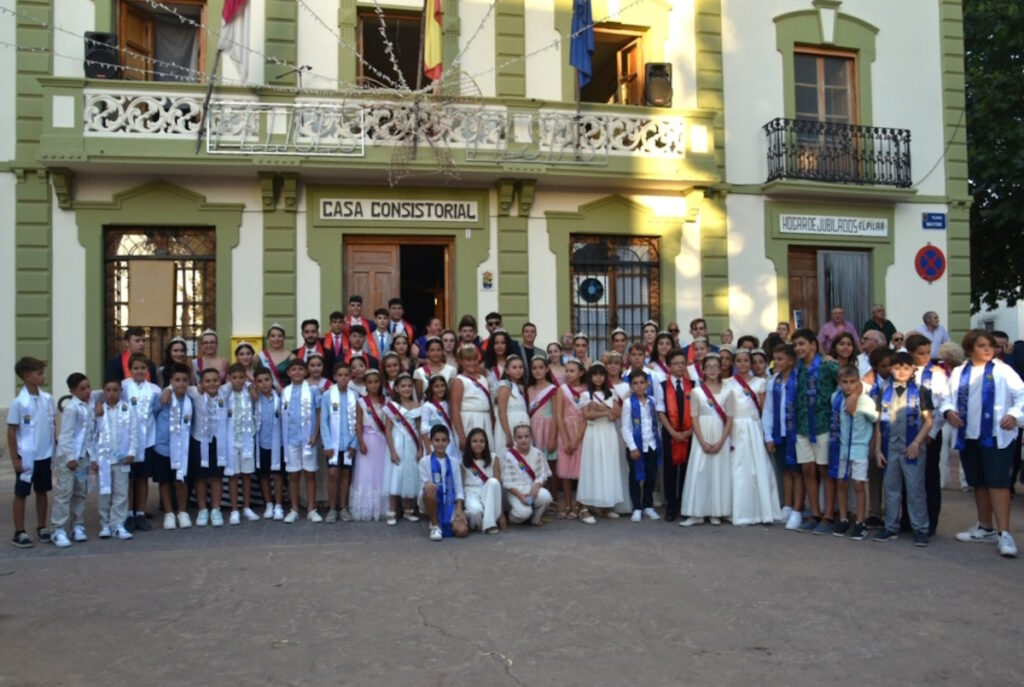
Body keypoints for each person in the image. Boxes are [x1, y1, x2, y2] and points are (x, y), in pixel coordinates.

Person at [942, 330, 1024, 558]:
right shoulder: (959, 372)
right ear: (970, 349)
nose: (989, 349)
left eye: (990, 345)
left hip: (997, 435)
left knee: (998, 483)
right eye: (982, 345)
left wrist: (1015, 414)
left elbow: (1022, 395)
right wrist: (948, 411)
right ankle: (985, 527)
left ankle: (1005, 532)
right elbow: (947, 397)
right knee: (978, 481)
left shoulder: (1003, 370)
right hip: (969, 434)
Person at [872, 352, 934, 546]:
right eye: (897, 367)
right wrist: (877, 448)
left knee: (915, 488)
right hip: (890, 446)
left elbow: (928, 421)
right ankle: (890, 526)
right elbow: (878, 422)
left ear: (913, 369)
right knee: (891, 488)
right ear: (891, 369)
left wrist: (917, 442)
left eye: (906, 368)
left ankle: (920, 528)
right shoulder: (884, 390)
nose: (901, 372)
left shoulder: (921, 391)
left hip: (912, 446)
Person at [792, 328, 840, 534]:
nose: (798, 348)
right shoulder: (798, 368)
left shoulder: (828, 365)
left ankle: (829, 515)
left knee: (824, 470)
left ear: (813, 344)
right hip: (802, 425)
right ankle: (815, 512)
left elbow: (850, 382)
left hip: (822, 424)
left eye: (802, 344)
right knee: (807, 470)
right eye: (795, 345)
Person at [679, 354, 733, 527]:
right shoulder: (696, 392)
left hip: (720, 436)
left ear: (720, 369)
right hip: (701, 435)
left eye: (715, 366)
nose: (711, 370)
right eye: (708, 367)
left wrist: (721, 442)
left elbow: (730, 419)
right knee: (700, 471)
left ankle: (716, 512)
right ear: (702, 369)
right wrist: (701, 441)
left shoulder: (728, 391)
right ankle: (697, 513)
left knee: (718, 472)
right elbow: (694, 417)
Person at [728, 349, 780, 526]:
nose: (742, 364)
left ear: (751, 363)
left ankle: (762, 510)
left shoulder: (759, 383)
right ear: (734, 363)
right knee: (738, 467)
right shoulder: (728, 383)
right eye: (739, 361)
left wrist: (767, 434)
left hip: (753, 426)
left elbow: (764, 410)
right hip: (736, 427)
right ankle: (739, 510)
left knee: (758, 467)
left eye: (746, 361)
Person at [9, 357, 57, 548]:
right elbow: (12, 431)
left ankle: (41, 526)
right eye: (39, 373)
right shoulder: (18, 403)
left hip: (44, 453)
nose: (43, 376)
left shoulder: (47, 399)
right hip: (27, 455)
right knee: (21, 492)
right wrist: (15, 458)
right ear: (27, 376)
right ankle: (19, 531)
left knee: (42, 491)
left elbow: (52, 425)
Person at [829, 365, 878, 541]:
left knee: (858, 485)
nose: (848, 386)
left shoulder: (865, 400)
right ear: (839, 382)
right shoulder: (835, 398)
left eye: (852, 382)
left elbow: (875, 421)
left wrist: (873, 445)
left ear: (858, 382)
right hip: (840, 448)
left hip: (859, 448)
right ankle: (843, 518)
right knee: (841, 483)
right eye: (844, 382)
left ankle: (860, 521)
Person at [906, 333, 948, 536]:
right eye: (920, 353)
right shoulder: (905, 370)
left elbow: (942, 404)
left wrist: (933, 431)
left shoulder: (937, 374)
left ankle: (931, 520)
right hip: (908, 430)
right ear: (910, 353)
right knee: (908, 476)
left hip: (930, 431)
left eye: (927, 352)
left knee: (929, 475)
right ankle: (907, 517)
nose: (925, 357)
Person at [50, 373, 96, 548]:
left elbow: (89, 434)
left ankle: (77, 524)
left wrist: (91, 455)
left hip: (83, 456)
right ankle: (58, 528)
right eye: (81, 389)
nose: (86, 391)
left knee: (80, 491)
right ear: (72, 391)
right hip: (69, 458)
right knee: (64, 493)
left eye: (88, 387)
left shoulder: (88, 407)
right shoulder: (71, 409)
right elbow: (67, 435)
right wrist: (70, 457)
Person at [576, 363, 623, 523]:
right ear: (590, 377)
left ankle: (605, 506)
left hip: (609, 433)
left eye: (601, 374)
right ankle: (584, 507)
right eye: (595, 374)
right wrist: (604, 411)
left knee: (607, 467)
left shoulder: (612, 393)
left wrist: (599, 409)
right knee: (592, 467)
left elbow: (616, 414)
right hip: (594, 433)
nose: (598, 377)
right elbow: (587, 415)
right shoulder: (585, 395)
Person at [763, 344, 803, 530]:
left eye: (780, 359)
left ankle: (797, 509)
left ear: (791, 360)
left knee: (797, 471)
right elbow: (769, 409)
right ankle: (787, 505)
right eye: (775, 359)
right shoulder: (773, 382)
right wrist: (768, 435)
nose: (776, 362)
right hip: (780, 433)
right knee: (785, 470)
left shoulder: (800, 379)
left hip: (796, 433)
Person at [180, 367, 225, 527]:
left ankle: (216, 508)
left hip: (218, 440)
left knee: (216, 476)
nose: (212, 383)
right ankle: (202, 509)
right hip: (199, 440)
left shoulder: (224, 393)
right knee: (200, 477)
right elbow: (178, 386)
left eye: (215, 380)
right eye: (207, 381)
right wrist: (167, 389)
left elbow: (242, 383)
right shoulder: (195, 393)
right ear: (201, 383)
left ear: (220, 382)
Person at [151, 363, 194, 530]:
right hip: (163, 447)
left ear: (189, 382)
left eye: (184, 380)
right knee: (165, 481)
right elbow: (153, 414)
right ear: (171, 382)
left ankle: (182, 511)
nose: (181, 384)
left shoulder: (191, 400)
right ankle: (169, 513)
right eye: (177, 380)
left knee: (180, 480)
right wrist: (167, 391)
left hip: (183, 448)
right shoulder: (163, 398)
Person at [96, 376, 139, 541]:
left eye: (115, 390)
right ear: (104, 392)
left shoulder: (128, 409)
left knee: (121, 492)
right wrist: (94, 458)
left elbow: (133, 432)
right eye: (108, 390)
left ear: (121, 391)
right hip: (104, 459)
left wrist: (132, 452)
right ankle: (105, 524)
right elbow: (94, 435)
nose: (112, 394)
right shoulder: (100, 411)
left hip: (122, 458)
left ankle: (118, 524)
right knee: (105, 492)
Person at [280, 359, 323, 524]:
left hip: (308, 439)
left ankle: (312, 508)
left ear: (306, 372)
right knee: (293, 475)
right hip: (291, 438)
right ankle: (294, 509)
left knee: (310, 474)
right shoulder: (285, 392)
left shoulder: (313, 390)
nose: (297, 372)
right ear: (289, 373)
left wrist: (315, 435)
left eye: (300, 369)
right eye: (294, 369)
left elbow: (318, 413)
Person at [218, 363, 259, 525]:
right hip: (231, 439)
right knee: (233, 475)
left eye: (241, 377)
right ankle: (234, 509)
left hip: (247, 437)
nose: (238, 381)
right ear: (229, 378)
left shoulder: (249, 391)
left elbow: (256, 399)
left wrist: (250, 386)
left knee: (247, 474)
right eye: (234, 378)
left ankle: (246, 506)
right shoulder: (224, 392)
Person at [122, 353, 159, 532]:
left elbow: (158, 412)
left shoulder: (155, 390)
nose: (139, 371)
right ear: (130, 369)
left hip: (148, 439)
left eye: (143, 368)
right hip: (127, 441)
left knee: (143, 478)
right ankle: (129, 513)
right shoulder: (123, 387)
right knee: (129, 478)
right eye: (136, 368)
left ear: (148, 370)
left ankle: (141, 513)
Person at [657, 348, 693, 522]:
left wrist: (688, 432)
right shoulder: (662, 386)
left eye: (682, 363)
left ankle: (685, 505)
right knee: (670, 471)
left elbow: (696, 412)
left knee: (687, 469)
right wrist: (672, 433)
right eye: (676, 363)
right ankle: (671, 505)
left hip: (688, 433)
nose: (680, 366)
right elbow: (660, 411)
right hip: (669, 433)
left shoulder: (692, 385)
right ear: (668, 366)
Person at [621, 372, 662, 523]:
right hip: (636, 446)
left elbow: (655, 423)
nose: (639, 386)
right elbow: (625, 428)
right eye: (635, 383)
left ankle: (648, 505)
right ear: (631, 386)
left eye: (642, 382)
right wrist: (632, 447)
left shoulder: (651, 401)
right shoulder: (628, 403)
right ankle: (637, 507)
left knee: (651, 475)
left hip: (651, 444)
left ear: (647, 384)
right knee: (635, 477)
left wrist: (658, 442)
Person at [351, 370, 391, 521]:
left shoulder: (385, 401)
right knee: (366, 473)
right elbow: (359, 423)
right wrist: (360, 441)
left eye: (376, 382)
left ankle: (382, 507)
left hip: (382, 441)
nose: (373, 385)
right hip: (367, 440)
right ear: (365, 384)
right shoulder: (361, 402)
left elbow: (387, 425)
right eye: (370, 382)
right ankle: (366, 506)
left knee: (381, 472)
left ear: (380, 383)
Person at [384, 373, 422, 525]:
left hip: (412, 444)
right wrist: (392, 450)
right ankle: (392, 509)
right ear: (397, 389)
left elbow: (420, 428)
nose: (407, 389)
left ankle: (408, 509)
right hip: (397, 442)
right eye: (403, 386)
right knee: (396, 474)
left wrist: (421, 448)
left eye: (409, 386)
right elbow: (387, 430)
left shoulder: (417, 406)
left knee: (411, 474)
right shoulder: (391, 407)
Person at [419, 424, 468, 540]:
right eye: (437, 440)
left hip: (450, 502)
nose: (440, 443)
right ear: (431, 441)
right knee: (430, 488)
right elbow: (424, 484)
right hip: (431, 499)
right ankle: (435, 524)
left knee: (462, 531)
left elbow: (458, 487)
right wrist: (428, 483)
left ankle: (445, 520)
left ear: (449, 442)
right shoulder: (424, 461)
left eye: (443, 440)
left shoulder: (454, 462)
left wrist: (459, 508)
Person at [500, 423, 553, 526]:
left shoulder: (538, 453)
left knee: (546, 496)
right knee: (523, 513)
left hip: (532, 488)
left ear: (531, 437)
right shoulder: (508, 456)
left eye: (526, 436)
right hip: (516, 491)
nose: (523, 440)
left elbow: (543, 475)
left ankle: (535, 519)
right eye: (519, 437)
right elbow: (507, 483)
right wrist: (521, 496)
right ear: (515, 438)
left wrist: (536, 487)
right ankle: (512, 517)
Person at [554, 359, 587, 519]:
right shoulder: (562, 389)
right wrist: (566, 439)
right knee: (566, 472)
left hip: (581, 432)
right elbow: (559, 415)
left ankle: (580, 506)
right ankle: (567, 505)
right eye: (566, 371)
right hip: (565, 432)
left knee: (581, 471)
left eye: (572, 371)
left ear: (581, 372)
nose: (568, 374)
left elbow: (587, 417)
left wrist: (576, 440)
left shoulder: (587, 390)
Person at [450, 344, 495, 452]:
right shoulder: (459, 380)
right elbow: (454, 410)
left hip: (485, 419)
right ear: (461, 361)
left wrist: (493, 422)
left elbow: (489, 403)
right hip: (468, 420)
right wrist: (461, 435)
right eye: (468, 360)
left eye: (474, 359)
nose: (472, 363)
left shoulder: (483, 379)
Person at [253, 368, 285, 521]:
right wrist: (250, 389)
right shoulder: (254, 398)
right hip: (261, 444)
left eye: (267, 380)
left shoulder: (280, 396)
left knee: (278, 475)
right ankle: (269, 504)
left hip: (277, 443)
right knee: (264, 475)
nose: (264, 384)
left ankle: (278, 504)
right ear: (255, 384)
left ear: (272, 381)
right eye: (259, 381)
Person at [527, 355, 559, 503]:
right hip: (533, 429)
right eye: (534, 368)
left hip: (548, 428)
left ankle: (553, 498)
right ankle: (539, 497)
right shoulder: (529, 389)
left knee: (550, 464)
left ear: (547, 369)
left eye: (541, 367)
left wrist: (553, 437)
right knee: (536, 464)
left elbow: (556, 414)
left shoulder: (553, 389)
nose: (538, 371)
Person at [461, 427, 504, 534]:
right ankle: (487, 521)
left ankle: (489, 524)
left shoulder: (494, 458)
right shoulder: (464, 461)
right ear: (469, 443)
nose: (478, 444)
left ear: (486, 443)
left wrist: (502, 513)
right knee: (475, 512)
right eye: (474, 441)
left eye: (482, 441)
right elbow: (460, 485)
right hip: (471, 492)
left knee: (493, 482)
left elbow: (498, 486)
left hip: (490, 492)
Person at [495, 355, 529, 453]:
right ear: (506, 370)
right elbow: (502, 411)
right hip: (509, 423)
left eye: (520, 367)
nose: (518, 370)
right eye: (514, 367)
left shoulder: (521, 386)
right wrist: (508, 434)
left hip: (522, 422)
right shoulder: (505, 385)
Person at [420, 375, 457, 462]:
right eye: (436, 386)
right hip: (434, 441)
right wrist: (428, 449)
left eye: (442, 385)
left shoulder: (449, 402)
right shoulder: (427, 405)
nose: (440, 389)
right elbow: (424, 429)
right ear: (431, 388)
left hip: (449, 439)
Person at [260, 323, 293, 391]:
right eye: (273, 336)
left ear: (284, 338)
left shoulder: (292, 357)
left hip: (285, 395)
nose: (276, 339)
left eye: (280, 336)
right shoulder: (259, 357)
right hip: (265, 396)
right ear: (268, 338)